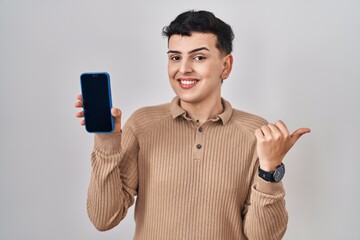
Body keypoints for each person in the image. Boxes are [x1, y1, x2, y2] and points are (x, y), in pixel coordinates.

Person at [75, 10, 310, 240]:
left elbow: (264, 237)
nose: (184, 68)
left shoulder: (255, 132)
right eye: (175, 57)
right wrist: (106, 140)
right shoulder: (143, 124)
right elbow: (103, 218)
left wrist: (269, 170)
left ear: (226, 66)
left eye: (199, 57)